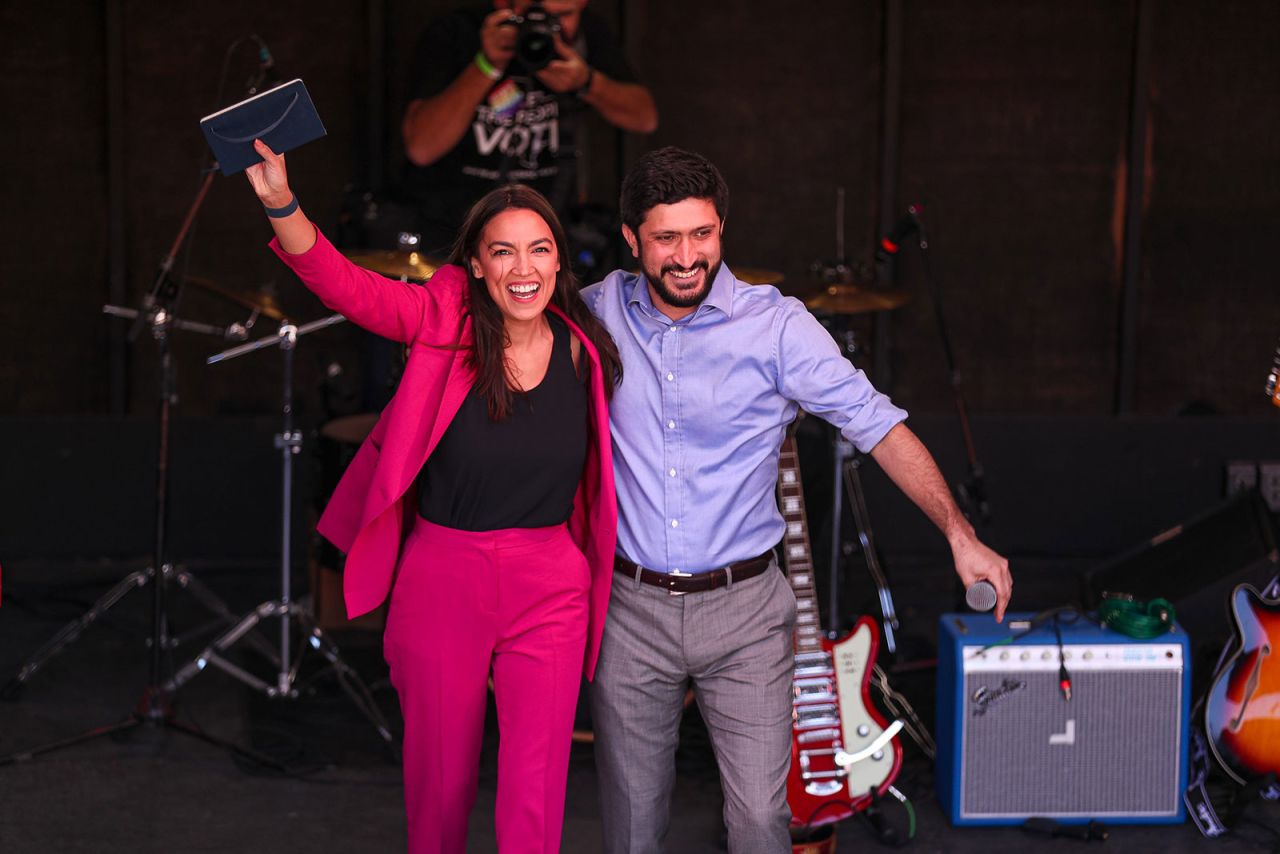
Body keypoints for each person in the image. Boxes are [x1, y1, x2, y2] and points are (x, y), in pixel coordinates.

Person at [580, 147, 1013, 853]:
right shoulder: (596, 312)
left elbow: (880, 427)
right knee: (631, 829)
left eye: (703, 234)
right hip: (629, 608)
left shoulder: (777, 327)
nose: (688, 256)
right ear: (632, 240)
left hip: (744, 610)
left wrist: (959, 533)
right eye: (666, 238)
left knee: (759, 822)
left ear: (723, 227)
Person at [244, 138, 622, 854]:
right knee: (439, 791)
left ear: (558, 261)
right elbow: (346, 287)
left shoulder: (584, 349)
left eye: (539, 250)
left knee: (535, 794)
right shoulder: (441, 323)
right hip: (443, 577)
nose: (523, 268)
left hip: (550, 583)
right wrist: (279, 202)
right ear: (476, 265)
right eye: (503, 252)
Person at [400, 0, 658, 253]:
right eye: (534, 14)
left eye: (562, 16)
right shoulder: (458, 30)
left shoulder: (587, 34)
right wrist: (486, 65)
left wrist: (586, 82)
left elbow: (644, 118)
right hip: (454, 235)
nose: (547, 28)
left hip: (545, 236)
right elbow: (421, 148)